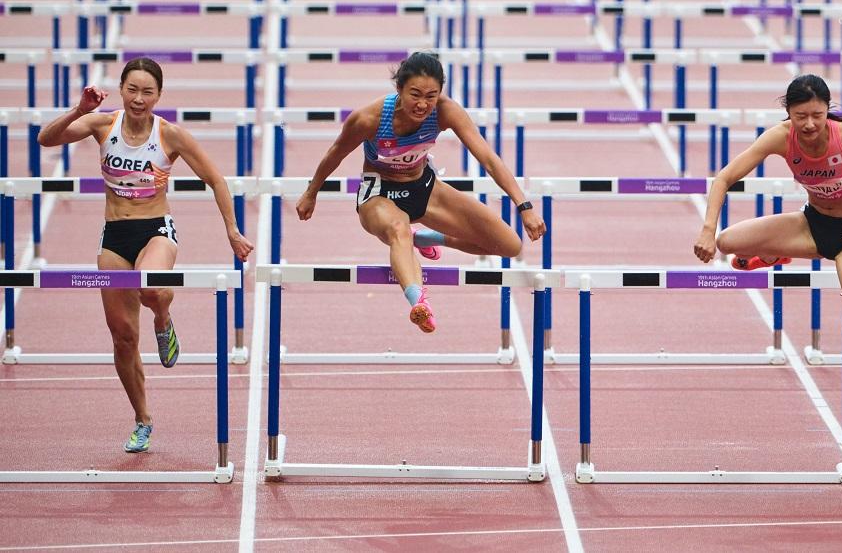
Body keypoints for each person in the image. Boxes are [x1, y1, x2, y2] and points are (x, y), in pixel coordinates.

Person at [37, 57, 255, 453]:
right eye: (132, 90)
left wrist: (232, 231)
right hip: (115, 235)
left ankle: (164, 318)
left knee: (151, 288)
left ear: (159, 95)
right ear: (122, 90)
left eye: (147, 91)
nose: (139, 98)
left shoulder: (169, 135)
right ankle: (142, 419)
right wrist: (79, 110)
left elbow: (217, 180)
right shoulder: (102, 125)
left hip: (156, 229)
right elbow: (46, 140)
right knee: (122, 336)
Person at [693, 74, 842, 438]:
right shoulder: (779, 137)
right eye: (801, 116)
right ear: (788, 112)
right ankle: (774, 255)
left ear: (828, 110)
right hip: (813, 225)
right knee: (727, 242)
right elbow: (724, 178)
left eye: (817, 114)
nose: (810, 124)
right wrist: (708, 228)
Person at [295, 52, 546, 333]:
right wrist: (311, 192)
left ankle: (428, 238)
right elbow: (335, 153)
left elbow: (488, 158)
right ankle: (419, 304)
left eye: (431, 95)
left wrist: (525, 206)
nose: (423, 104)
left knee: (508, 246)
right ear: (399, 88)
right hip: (380, 193)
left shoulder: (446, 111)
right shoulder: (369, 119)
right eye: (415, 94)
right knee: (398, 229)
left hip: (424, 187)